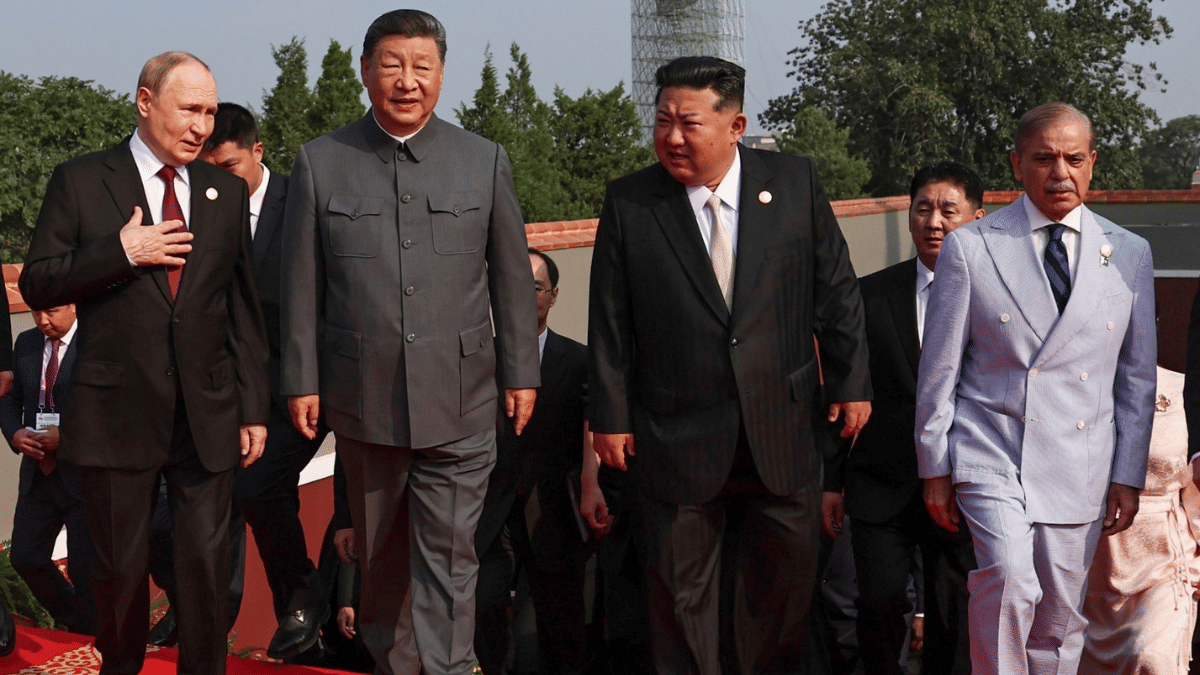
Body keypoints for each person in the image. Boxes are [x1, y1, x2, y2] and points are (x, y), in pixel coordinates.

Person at [587, 55, 872, 675]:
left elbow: (838, 292)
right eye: (662, 121)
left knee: (778, 598)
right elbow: (610, 320)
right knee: (678, 601)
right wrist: (608, 415)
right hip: (675, 432)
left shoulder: (794, 183)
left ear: (736, 124)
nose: (672, 137)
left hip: (783, 427)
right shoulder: (633, 202)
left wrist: (852, 382)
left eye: (689, 123)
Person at [279, 10, 540, 675]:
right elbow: (303, 286)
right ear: (366, 70)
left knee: (451, 560)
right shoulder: (321, 162)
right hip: (365, 405)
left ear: (441, 74)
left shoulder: (483, 160)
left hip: (462, 398)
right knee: (383, 567)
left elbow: (512, 277)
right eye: (392, 64)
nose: (406, 80)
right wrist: (301, 378)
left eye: (422, 66)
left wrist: (522, 373)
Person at [19, 52, 270, 675]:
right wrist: (121, 251)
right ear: (144, 102)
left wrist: (252, 407)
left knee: (207, 571)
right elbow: (39, 284)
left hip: (207, 414)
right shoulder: (81, 180)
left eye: (210, 111)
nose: (202, 126)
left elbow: (241, 307)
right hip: (115, 413)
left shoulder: (225, 190)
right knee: (117, 572)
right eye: (189, 109)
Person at [914, 102, 1156, 675]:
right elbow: (939, 367)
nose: (1060, 173)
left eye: (1074, 159)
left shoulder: (1129, 254)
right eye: (1044, 158)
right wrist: (934, 468)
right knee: (1010, 582)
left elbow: (1137, 377)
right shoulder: (972, 247)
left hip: (1081, 457)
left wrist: (1127, 473)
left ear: (1093, 164)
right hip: (990, 446)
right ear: (1017, 163)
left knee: (1057, 618)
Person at [826, 161, 984, 675]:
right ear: (910, 216)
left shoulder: (996, 297)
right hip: (881, 484)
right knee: (877, 608)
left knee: (952, 614)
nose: (934, 221)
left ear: (977, 218)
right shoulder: (868, 296)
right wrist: (831, 481)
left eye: (948, 210)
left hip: (964, 485)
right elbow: (839, 392)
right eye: (923, 208)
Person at [198, 102, 331, 659]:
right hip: (229, 392)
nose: (217, 182)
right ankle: (205, 615)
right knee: (202, 494)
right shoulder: (199, 211)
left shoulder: (304, 204)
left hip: (301, 388)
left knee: (255, 487)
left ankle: (300, 592)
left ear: (257, 152)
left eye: (227, 168)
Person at [474, 248, 589, 675]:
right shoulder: (481, 361)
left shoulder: (579, 361)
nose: (524, 295)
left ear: (554, 295)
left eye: (535, 287)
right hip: (492, 515)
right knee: (485, 612)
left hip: (553, 515)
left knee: (547, 630)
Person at [1081, 360, 1200, 674]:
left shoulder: (1184, 389)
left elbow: (1193, 485)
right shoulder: (1075, 384)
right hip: (1088, 564)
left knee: (1153, 658)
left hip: (1166, 561)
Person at [1, 304, 97, 636]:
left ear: (74, 305)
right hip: (38, 471)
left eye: (52, 311)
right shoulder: (26, 342)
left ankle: (90, 638)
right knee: (25, 556)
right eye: (36, 312)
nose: (43, 320)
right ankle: (73, 617)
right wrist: (15, 433)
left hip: (84, 477)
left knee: (86, 569)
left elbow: (116, 409)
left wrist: (68, 437)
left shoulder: (98, 342)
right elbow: (9, 399)